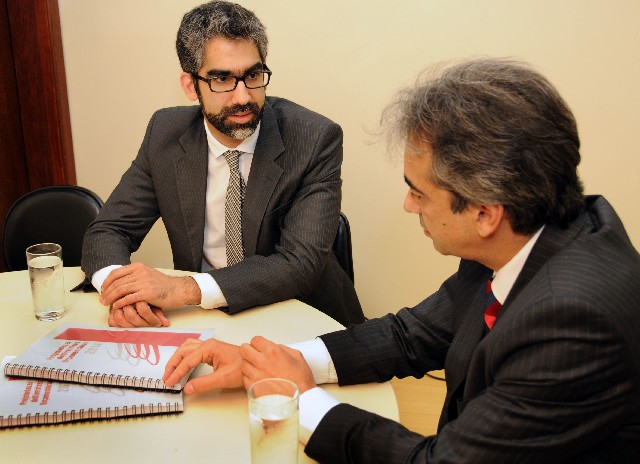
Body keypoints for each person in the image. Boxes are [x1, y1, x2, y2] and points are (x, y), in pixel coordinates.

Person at [162, 58, 640, 463]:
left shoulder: (573, 322)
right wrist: (275, 363)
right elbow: (411, 335)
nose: (409, 206)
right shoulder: (526, 228)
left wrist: (301, 401)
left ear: (484, 213)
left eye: (419, 192)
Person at [80, 1, 364, 328]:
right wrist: (122, 291)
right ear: (191, 85)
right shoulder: (165, 134)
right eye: (222, 79)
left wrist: (183, 289)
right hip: (204, 320)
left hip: (301, 318)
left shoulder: (313, 138)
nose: (242, 97)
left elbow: (300, 264)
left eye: (253, 75)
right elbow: (110, 229)